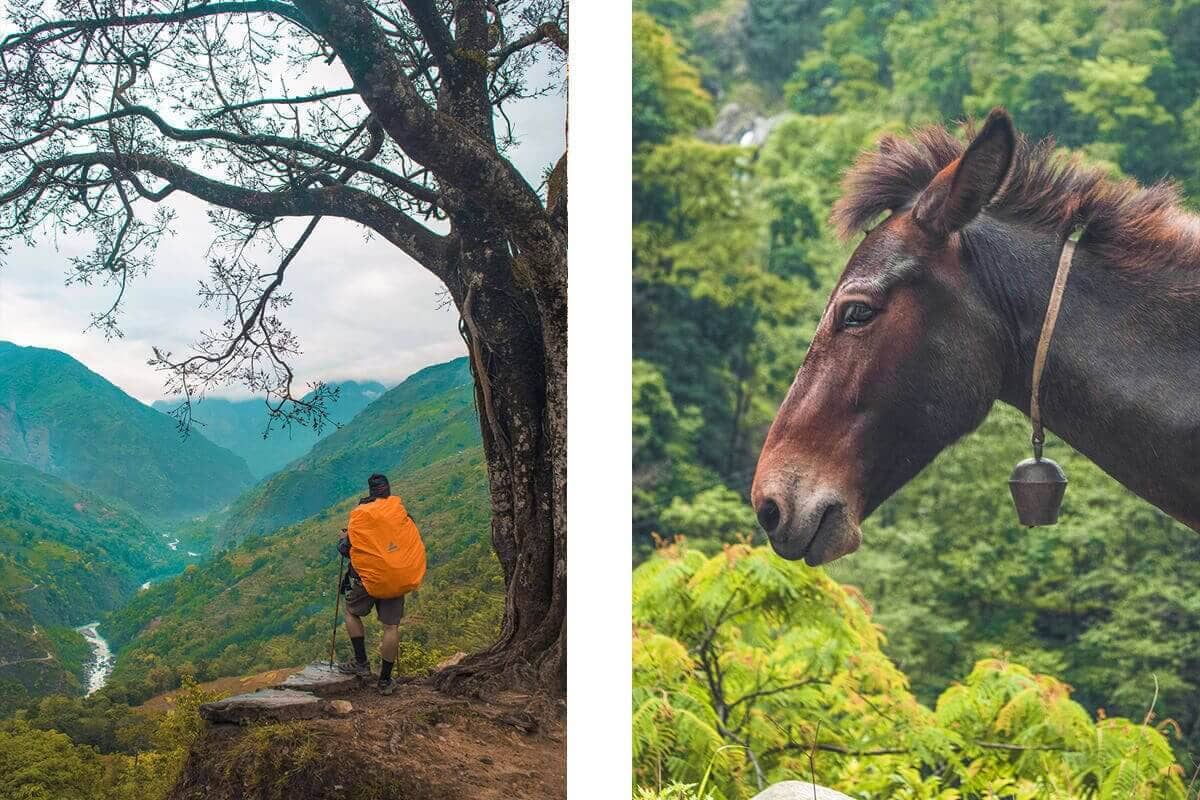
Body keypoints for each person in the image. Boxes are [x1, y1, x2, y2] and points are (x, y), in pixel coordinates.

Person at [336, 472, 426, 695]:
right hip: (395, 578)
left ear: (371, 492)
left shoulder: (362, 515)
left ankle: (361, 663)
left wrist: (344, 538)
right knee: (391, 627)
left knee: (350, 612)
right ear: (388, 490)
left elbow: (345, 549)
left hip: (367, 580)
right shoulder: (400, 513)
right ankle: (385, 680)